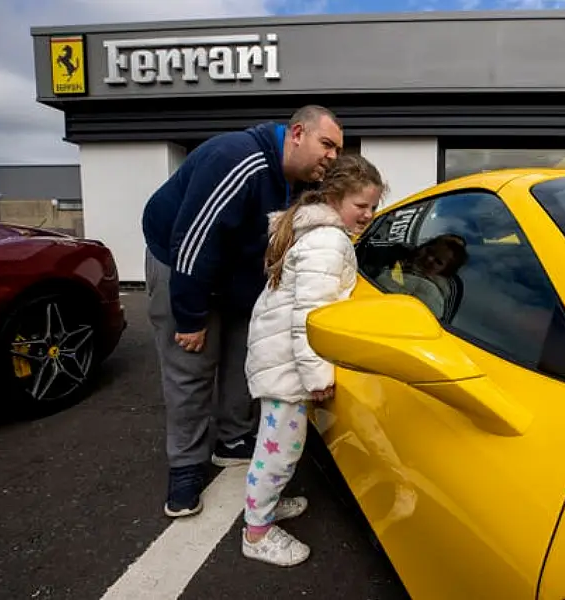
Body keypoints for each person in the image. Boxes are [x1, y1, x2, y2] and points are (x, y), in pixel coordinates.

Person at [142, 105, 344, 518]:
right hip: (183, 266)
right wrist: (191, 316)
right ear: (298, 133)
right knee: (191, 365)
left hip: (231, 273)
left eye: (338, 150)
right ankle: (185, 466)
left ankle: (231, 440)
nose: (333, 157)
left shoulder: (292, 181)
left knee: (241, 356)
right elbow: (195, 239)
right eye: (327, 144)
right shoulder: (240, 159)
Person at [242, 154, 385, 566]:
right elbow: (311, 315)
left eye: (373, 206)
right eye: (362, 206)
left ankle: (267, 503)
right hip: (289, 365)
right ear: (336, 198)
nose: (369, 214)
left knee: (277, 445)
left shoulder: (318, 231)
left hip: (281, 358)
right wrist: (318, 374)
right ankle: (257, 531)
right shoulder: (329, 241)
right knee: (279, 450)